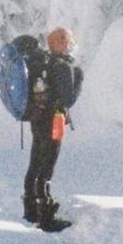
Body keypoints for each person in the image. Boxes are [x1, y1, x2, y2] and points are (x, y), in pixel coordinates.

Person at [22, 27, 83, 230]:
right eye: (69, 41)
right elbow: (68, 99)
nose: (71, 44)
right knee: (47, 164)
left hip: (37, 118)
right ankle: (46, 216)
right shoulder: (62, 66)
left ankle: (31, 209)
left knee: (36, 159)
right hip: (54, 120)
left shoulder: (42, 63)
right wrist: (79, 78)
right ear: (62, 43)